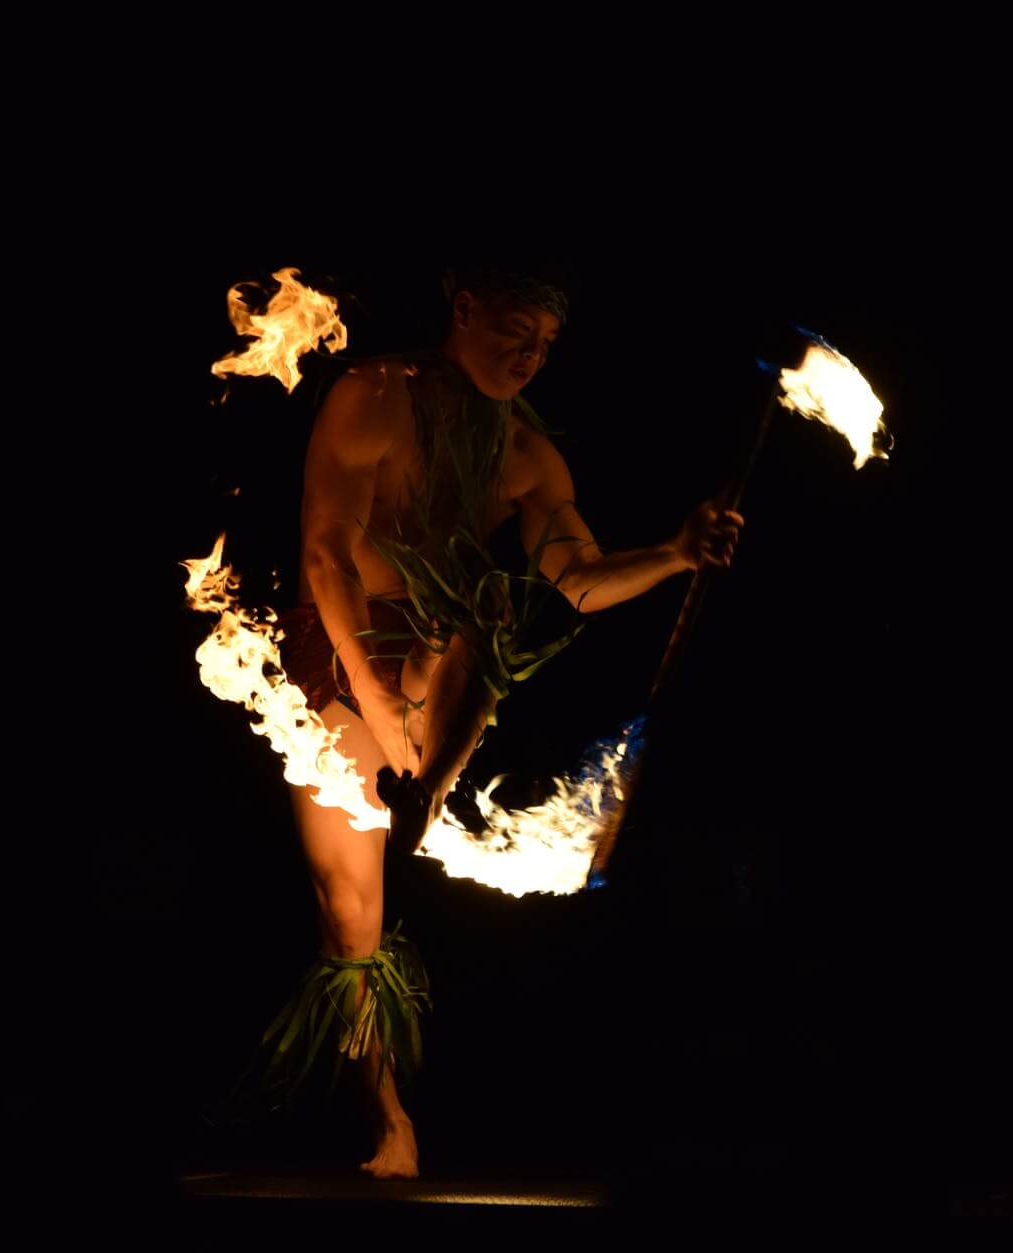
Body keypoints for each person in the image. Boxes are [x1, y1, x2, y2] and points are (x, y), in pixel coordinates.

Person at [267, 269, 743, 1178]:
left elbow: (578, 578)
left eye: (546, 346)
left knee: (486, 617)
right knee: (348, 912)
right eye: (514, 330)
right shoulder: (372, 396)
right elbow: (327, 556)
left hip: (435, 670)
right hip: (339, 649)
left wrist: (677, 553)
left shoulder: (526, 454)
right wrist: (369, 699)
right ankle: (386, 1117)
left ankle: (430, 786)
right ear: (463, 310)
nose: (528, 357)